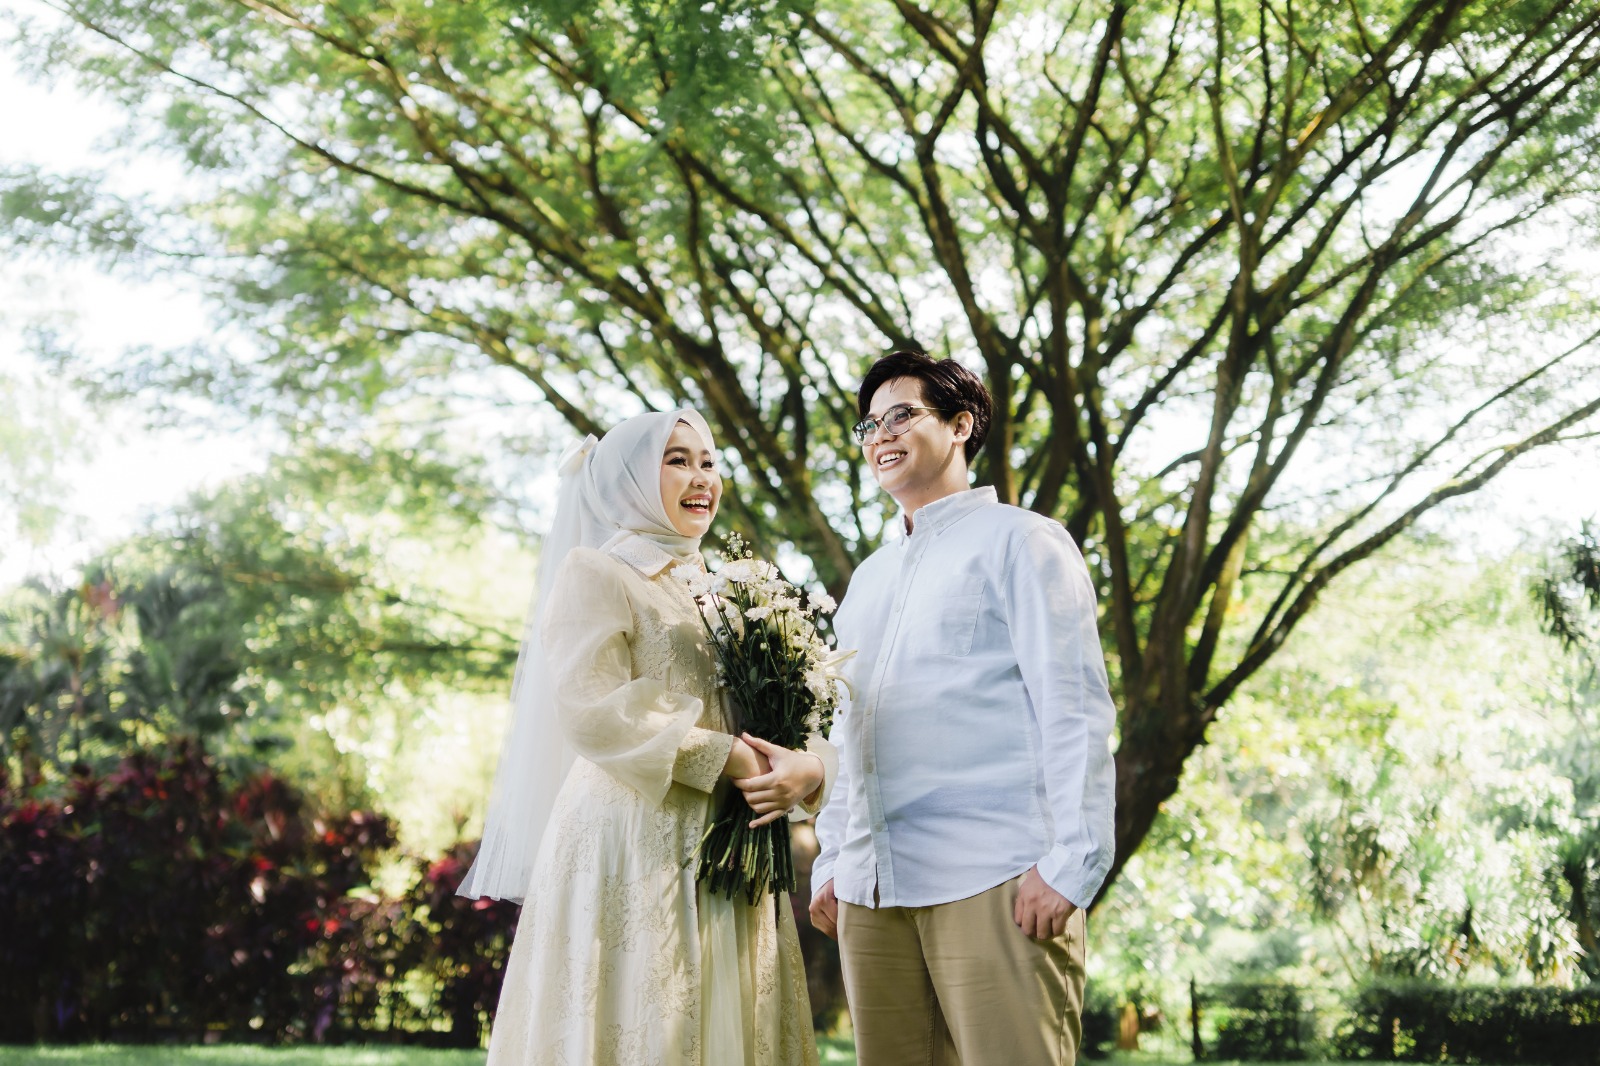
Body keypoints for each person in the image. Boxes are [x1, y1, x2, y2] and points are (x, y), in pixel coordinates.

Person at [459, 407, 837, 1066]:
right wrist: (728, 756)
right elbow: (594, 706)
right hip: (635, 836)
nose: (701, 478)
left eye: (708, 462)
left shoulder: (733, 591)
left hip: (731, 839)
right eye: (677, 460)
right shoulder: (597, 571)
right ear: (629, 478)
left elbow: (791, 704)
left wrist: (807, 768)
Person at [809, 352, 1117, 1066]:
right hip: (871, 891)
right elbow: (847, 728)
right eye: (869, 425)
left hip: (994, 874)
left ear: (960, 425)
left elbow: (1072, 705)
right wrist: (831, 861)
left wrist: (1073, 862)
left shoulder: (1023, 540)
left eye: (902, 415)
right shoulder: (868, 579)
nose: (882, 434)